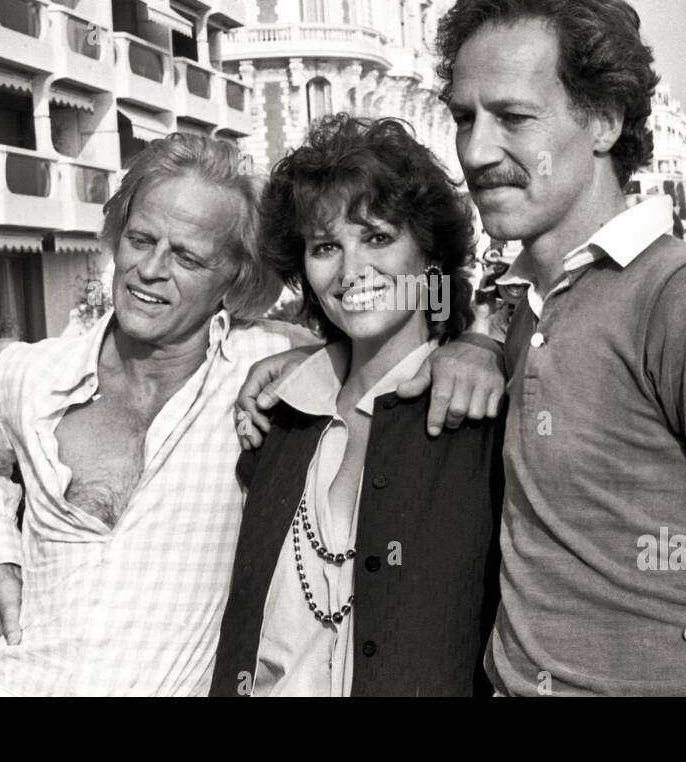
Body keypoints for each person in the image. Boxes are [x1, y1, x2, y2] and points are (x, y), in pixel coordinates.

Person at [239, 0, 686, 696]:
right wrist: (315, 358)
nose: (475, 150)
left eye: (513, 118)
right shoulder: (527, 314)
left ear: (604, 120)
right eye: (465, 118)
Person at [0, 133, 504, 696]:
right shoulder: (33, 375)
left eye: (187, 256)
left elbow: (414, 303)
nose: (151, 270)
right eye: (140, 239)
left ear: (236, 276)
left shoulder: (269, 376)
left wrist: (478, 343)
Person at [210, 116, 505, 696]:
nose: (351, 271)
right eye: (325, 247)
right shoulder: (278, 412)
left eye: (377, 237)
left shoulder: (481, 409)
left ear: (429, 253)